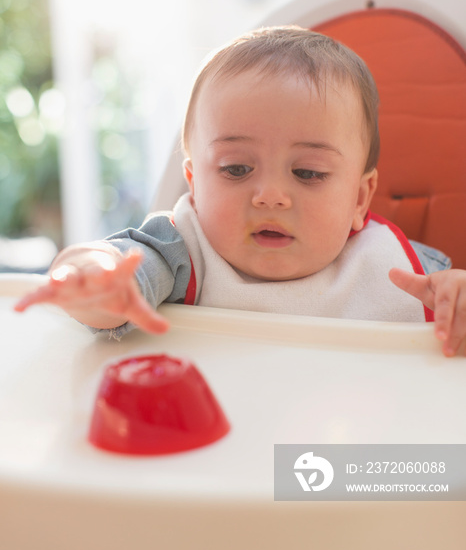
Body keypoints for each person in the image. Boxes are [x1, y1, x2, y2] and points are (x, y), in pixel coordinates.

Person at [15, 27, 466, 356]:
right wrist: (94, 277)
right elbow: (122, 272)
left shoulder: (403, 274)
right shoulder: (180, 255)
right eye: (236, 169)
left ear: (360, 199)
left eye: (307, 173)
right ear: (194, 185)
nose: (270, 195)